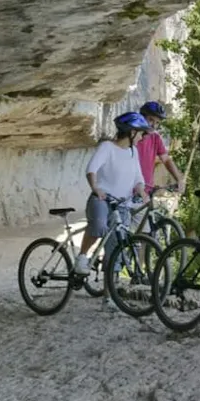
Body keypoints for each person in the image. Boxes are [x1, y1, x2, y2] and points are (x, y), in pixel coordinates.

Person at [75, 111, 151, 276]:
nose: (142, 137)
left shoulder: (133, 151)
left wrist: (141, 191)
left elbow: (138, 178)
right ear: (132, 132)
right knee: (99, 226)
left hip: (121, 205)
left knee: (115, 250)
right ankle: (81, 258)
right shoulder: (107, 147)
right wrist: (96, 188)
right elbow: (91, 169)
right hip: (101, 199)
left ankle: (108, 298)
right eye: (141, 133)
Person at [135, 101, 186, 195]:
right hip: (127, 189)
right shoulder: (130, 135)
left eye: (157, 122)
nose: (154, 125)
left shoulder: (155, 138)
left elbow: (166, 159)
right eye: (150, 120)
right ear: (141, 117)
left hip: (146, 191)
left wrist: (179, 179)